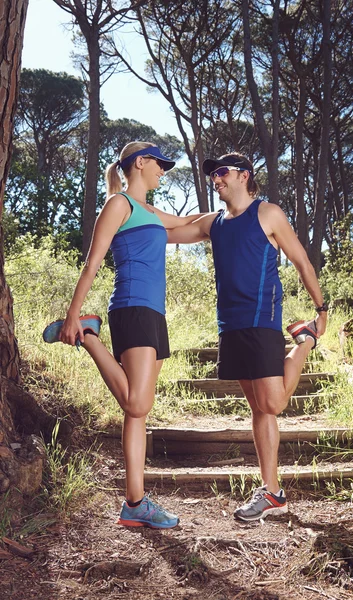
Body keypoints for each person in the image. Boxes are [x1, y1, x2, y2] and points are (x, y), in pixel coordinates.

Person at [43, 141, 203, 529]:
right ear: (140, 163)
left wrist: (234, 216)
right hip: (132, 307)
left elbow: (190, 226)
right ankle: (88, 334)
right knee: (136, 403)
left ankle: (134, 502)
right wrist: (70, 315)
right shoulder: (119, 205)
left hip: (154, 314)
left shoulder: (150, 211)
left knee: (138, 412)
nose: (163, 171)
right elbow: (93, 261)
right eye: (159, 164)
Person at [167, 153, 328, 522]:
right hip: (230, 325)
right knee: (258, 408)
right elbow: (171, 232)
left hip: (262, 320)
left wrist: (322, 308)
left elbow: (302, 260)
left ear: (244, 175)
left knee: (272, 404)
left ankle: (305, 340)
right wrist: (129, 211)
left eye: (222, 173)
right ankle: (272, 491)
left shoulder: (267, 213)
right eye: (212, 175)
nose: (215, 179)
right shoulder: (214, 223)